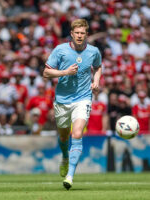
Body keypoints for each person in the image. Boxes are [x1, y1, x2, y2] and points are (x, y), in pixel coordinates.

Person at [43, 19, 102, 190]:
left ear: (86, 34)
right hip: (62, 100)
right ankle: (64, 156)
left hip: (83, 98)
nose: (79, 35)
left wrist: (96, 81)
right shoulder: (60, 50)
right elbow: (46, 72)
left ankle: (70, 176)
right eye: (77, 33)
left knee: (76, 134)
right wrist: (64, 72)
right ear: (71, 33)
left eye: (82, 33)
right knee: (63, 136)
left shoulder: (93, 51)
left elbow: (98, 67)